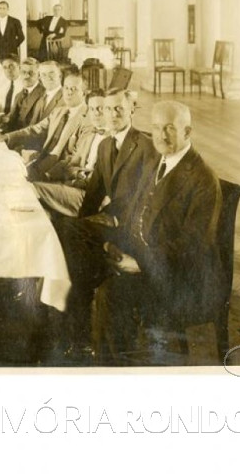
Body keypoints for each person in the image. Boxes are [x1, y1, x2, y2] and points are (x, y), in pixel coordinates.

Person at [101, 101, 222, 364]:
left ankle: (127, 365)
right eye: (156, 128)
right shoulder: (157, 159)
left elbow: (192, 246)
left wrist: (141, 263)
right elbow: (135, 213)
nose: (161, 136)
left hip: (177, 275)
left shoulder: (203, 180)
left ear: (187, 132)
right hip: (145, 258)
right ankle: (114, 361)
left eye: (170, 128)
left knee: (114, 293)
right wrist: (118, 246)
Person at [47, 89, 156, 359]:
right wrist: (82, 226)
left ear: (131, 108)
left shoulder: (146, 146)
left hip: (133, 231)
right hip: (111, 224)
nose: (113, 114)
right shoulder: (106, 145)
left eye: (119, 108)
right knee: (66, 231)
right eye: (108, 109)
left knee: (73, 248)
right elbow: (94, 193)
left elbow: (148, 198)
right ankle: (79, 313)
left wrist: (106, 221)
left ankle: (76, 327)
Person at [0, 72, 88, 181]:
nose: (68, 93)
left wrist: (47, 174)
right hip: (42, 160)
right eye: (66, 88)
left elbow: (76, 158)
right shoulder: (59, 111)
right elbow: (35, 129)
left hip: (58, 171)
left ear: (84, 93)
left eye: (74, 89)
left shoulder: (88, 119)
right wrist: (6, 137)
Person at [0, 58, 46, 133]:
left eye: (31, 73)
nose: (26, 76)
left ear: (39, 75)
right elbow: (11, 118)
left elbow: (33, 129)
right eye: (23, 72)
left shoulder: (43, 95)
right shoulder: (19, 94)